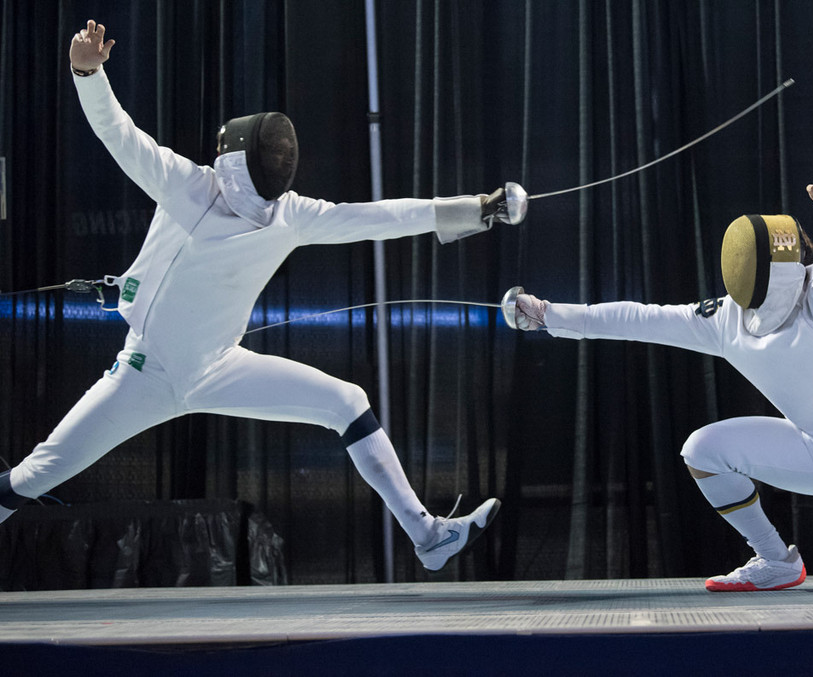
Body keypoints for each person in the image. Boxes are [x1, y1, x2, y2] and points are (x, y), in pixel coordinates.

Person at [0, 20, 506, 572]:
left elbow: (117, 133)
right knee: (33, 475)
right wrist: (475, 208)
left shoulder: (193, 187)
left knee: (347, 402)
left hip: (218, 366)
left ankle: (429, 538)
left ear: (234, 159)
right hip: (146, 375)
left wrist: (87, 71)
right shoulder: (289, 214)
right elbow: (377, 217)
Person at [511, 175, 813, 592]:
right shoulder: (726, 320)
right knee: (703, 450)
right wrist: (550, 314)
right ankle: (775, 559)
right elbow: (640, 318)